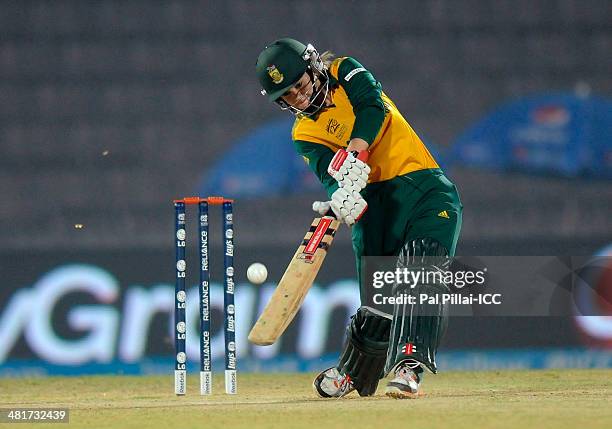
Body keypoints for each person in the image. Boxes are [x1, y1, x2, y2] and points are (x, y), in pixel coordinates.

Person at [255, 38, 462, 399]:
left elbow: (373, 108)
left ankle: (408, 366)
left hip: (423, 189)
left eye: (299, 86)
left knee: (421, 265)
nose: (298, 99)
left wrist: (355, 151)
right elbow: (327, 172)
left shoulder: (345, 71)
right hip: (375, 206)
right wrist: (343, 195)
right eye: (286, 98)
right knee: (377, 299)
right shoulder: (303, 134)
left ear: (314, 67)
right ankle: (354, 372)